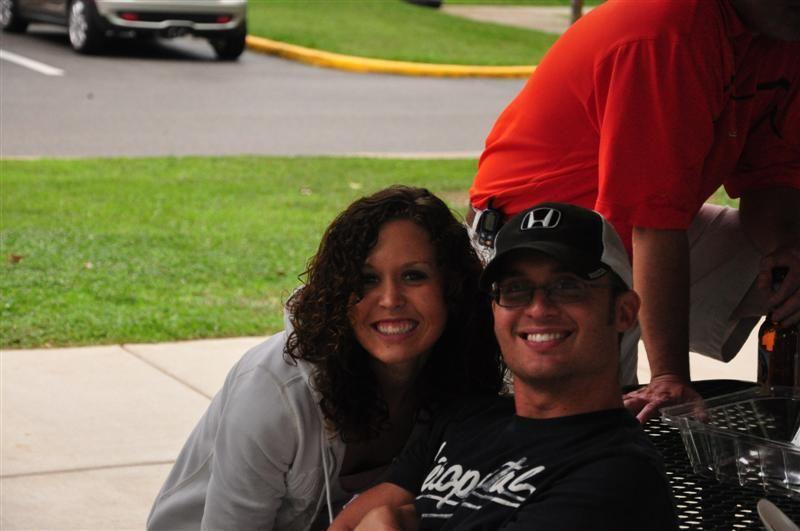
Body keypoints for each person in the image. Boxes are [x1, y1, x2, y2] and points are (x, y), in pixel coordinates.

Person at [468, 0, 800, 422]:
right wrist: (669, 375)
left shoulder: (782, 33)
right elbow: (653, 222)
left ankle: (786, 431)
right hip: (536, 245)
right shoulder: (667, 30)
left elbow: (770, 178)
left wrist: (787, 249)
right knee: (583, 427)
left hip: (638, 233)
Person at [146, 186, 505, 530]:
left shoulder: (465, 379)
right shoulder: (274, 391)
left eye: (414, 276)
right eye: (367, 279)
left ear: (451, 287)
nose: (390, 299)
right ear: (338, 292)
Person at [330, 203, 678, 531]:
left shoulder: (618, 475)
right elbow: (345, 525)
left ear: (624, 311)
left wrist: (390, 518)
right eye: (514, 289)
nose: (538, 308)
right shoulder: (465, 420)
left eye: (567, 286)